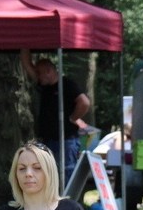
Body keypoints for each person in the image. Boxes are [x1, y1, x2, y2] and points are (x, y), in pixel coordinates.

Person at [20, 49, 91, 184]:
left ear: (49, 71)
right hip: (47, 139)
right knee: (46, 173)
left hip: (66, 139)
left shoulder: (67, 85)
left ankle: (68, 202)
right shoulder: (44, 85)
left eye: (39, 74)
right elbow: (27, 65)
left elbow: (85, 102)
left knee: (66, 172)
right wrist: (26, 44)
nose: (38, 77)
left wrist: (73, 118)